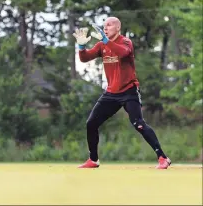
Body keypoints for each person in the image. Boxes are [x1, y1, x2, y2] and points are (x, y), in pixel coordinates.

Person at [72, 17, 171, 169]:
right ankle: (93, 159)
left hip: (129, 91)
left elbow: (123, 53)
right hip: (111, 93)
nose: (105, 28)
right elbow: (85, 58)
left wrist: (106, 41)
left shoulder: (126, 42)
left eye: (109, 25)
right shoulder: (102, 45)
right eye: (104, 26)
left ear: (118, 28)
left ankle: (163, 158)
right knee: (91, 123)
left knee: (138, 124)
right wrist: (81, 46)